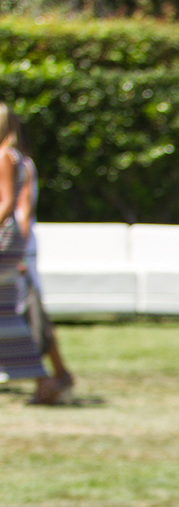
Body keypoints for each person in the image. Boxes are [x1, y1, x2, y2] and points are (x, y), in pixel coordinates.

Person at [10, 114, 72, 404]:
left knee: (23, 315)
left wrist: (16, 250)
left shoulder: (12, 161)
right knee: (30, 313)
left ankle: (49, 379)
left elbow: (18, 209)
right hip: (21, 247)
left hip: (17, 248)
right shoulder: (22, 161)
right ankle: (57, 375)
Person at [0, 103, 49, 396]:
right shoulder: (16, 156)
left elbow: (7, 202)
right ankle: (44, 380)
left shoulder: (4, 156)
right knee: (6, 312)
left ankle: (45, 379)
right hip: (11, 239)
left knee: (6, 312)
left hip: (3, 238)